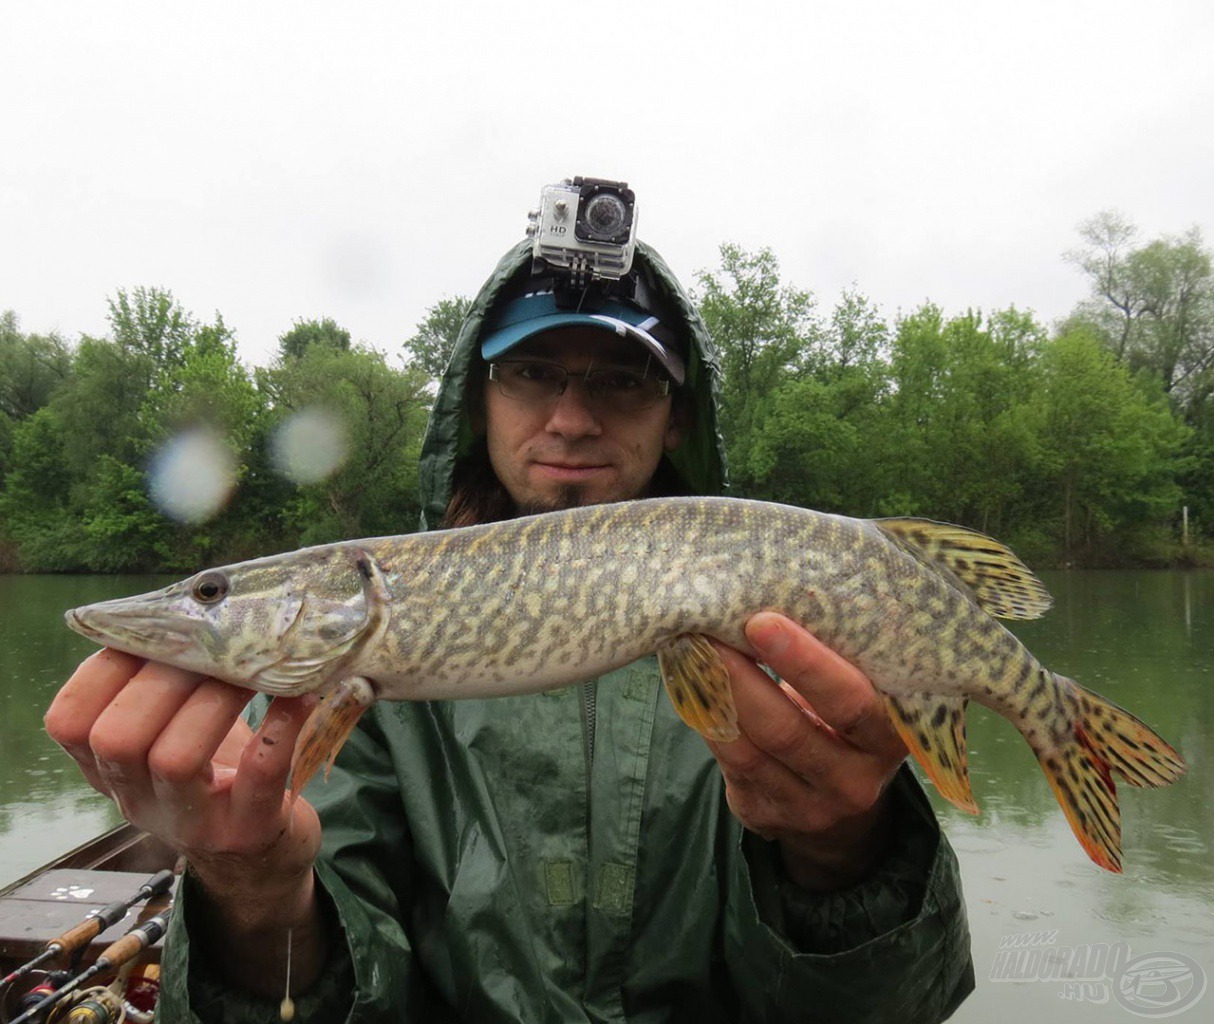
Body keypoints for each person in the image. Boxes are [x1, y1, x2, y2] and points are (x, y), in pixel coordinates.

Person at [46, 213, 975, 1022]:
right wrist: (250, 887)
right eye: (532, 371)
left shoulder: (784, 640)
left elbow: (894, 1008)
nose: (571, 418)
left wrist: (848, 852)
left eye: (621, 380)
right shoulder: (330, 700)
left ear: (677, 415)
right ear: (476, 397)